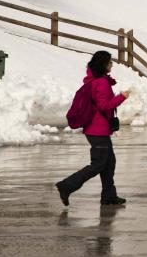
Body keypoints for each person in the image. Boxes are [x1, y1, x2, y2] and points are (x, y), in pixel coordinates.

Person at [56, 51, 130, 206]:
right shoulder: (101, 82)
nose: (112, 65)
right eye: (110, 62)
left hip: (97, 129)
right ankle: (66, 186)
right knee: (98, 164)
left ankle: (109, 196)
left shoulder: (95, 80)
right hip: (98, 130)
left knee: (109, 163)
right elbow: (104, 105)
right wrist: (122, 97)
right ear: (103, 64)